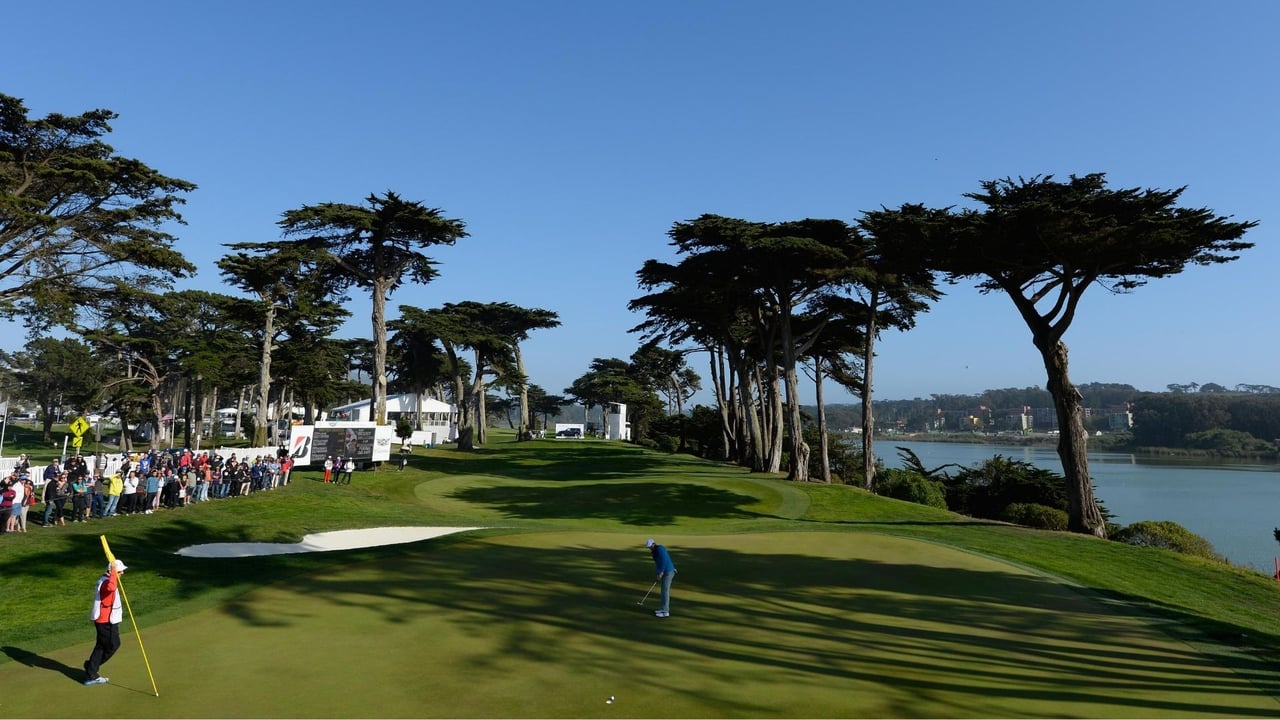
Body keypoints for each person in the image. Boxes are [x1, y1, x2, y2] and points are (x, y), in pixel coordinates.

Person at [83, 559, 127, 686]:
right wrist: (114, 572)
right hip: (106, 621)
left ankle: (91, 671)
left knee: (101, 646)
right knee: (114, 644)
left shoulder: (105, 579)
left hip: (107, 620)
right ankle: (91, 668)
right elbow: (111, 587)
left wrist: (113, 572)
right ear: (113, 572)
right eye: (120, 571)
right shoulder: (107, 582)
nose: (122, 573)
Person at [645, 538, 677, 618]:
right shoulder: (655, 552)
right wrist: (658, 573)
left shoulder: (660, 549)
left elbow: (664, 560)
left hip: (668, 572)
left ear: (653, 544)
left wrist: (661, 572)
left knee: (665, 591)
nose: (649, 548)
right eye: (648, 547)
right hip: (665, 571)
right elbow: (658, 563)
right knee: (663, 591)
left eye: (650, 546)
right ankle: (662, 608)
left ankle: (666, 612)